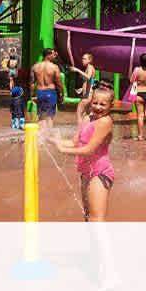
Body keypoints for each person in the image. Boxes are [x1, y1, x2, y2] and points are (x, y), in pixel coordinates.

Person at [48, 83, 115, 221]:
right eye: (95, 103)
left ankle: (101, 243)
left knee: (96, 219)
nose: (97, 107)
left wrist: (63, 150)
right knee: (87, 216)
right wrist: (54, 141)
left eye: (103, 104)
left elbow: (89, 150)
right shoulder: (87, 119)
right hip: (86, 173)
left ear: (110, 106)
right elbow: (74, 142)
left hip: (100, 173)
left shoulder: (105, 122)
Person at [31, 48, 64, 132]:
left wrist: (32, 95)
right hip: (50, 93)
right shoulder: (54, 67)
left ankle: (40, 137)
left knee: (41, 116)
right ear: (48, 55)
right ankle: (48, 136)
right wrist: (62, 94)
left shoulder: (35, 66)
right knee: (49, 117)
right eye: (53, 54)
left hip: (40, 92)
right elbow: (59, 83)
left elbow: (31, 83)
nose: (54, 56)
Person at [68, 53, 97, 119]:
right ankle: (88, 129)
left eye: (84, 59)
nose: (82, 60)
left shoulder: (89, 68)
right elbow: (91, 81)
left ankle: (79, 129)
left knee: (79, 114)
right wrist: (82, 88)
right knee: (87, 116)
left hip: (87, 95)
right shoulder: (89, 68)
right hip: (88, 94)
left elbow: (88, 77)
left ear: (89, 60)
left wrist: (77, 70)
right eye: (82, 58)